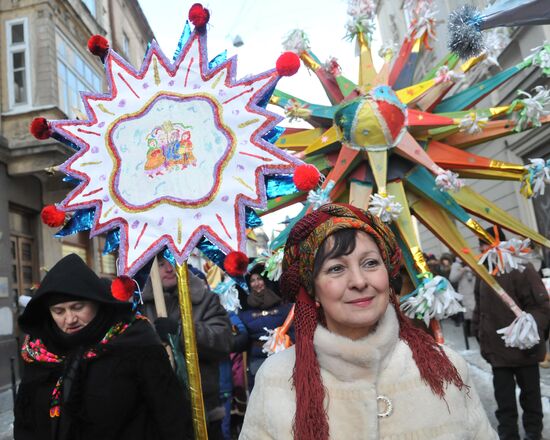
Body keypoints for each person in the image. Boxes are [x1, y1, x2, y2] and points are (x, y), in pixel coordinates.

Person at [240, 203, 496, 440]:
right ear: (313, 290)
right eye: (336, 269)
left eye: (370, 263)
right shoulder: (275, 379)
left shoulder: (446, 366)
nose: (359, 281)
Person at [14, 253, 192, 440]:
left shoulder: (134, 340)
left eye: (77, 307)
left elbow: (171, 415)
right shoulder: (39, 352)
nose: (70, 319)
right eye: (59, 311)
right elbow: (26, 423)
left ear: (96, 302)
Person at [142, 255, 232, 440]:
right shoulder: (141, 307)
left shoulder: (205, 300)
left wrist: (181, 332)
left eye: (172, 262)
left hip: (203, 411)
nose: (168, 269)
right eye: (160, 264)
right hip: (158, 412)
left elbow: (223, 340)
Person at [473, 227, 550, 440]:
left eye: (484, 243)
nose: (481, 248)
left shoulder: (521, 269)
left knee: (531, 397)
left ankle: (533, 433)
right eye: (480, 244)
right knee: (504, 401)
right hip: (498, 353)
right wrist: (479, 333)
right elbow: (481, 307)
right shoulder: (483, 272)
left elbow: (542, 306)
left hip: (524, 350)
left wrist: (527, 329)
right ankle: (509, 434)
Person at [238, 264, 294, 391]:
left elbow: (294, 331)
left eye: (259, 279)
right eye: (252, 280)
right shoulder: (244, 312)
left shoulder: (284, 307)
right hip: (257, 360)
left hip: (283, 358)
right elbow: (241, 342)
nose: (257, 283)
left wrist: (284, 341)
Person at [449, 257, 476, 336]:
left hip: (474, 290)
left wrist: (471, 270)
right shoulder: (456, 265)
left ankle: (475, 330)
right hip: (465, 293)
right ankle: (469, 332)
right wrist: (463, 270)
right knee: (468, 313)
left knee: (475, 311)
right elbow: (452, 278)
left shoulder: (473, 261)